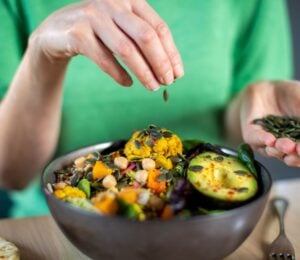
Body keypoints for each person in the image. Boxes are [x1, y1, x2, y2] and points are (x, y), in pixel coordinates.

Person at [0, 0, 299, 218]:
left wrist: (255, 103)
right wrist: (43, 54)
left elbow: (234, 127)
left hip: (205, 223)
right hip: (55, 228)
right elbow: (10, 172)